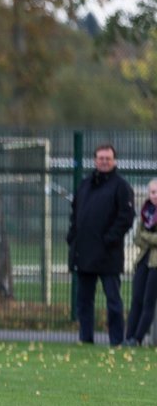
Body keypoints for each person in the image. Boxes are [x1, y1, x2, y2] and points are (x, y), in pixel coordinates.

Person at [67, 143, 135, 346]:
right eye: (101, 158)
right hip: (85, 252)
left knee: (113, 300)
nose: (104, 162)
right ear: (95, 160)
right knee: (84, 301)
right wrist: (73, 237)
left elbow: (126, 217)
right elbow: (75, 213)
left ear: (114, 161)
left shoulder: (121, 186)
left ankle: (116, 340)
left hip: (108, 254)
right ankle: (85, 338)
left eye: (108, 158)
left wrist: (109, 239)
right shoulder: (85, 184)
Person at [124, 179, 157, 346]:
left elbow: (145, 236)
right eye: (152, 192)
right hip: (143, 259)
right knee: (136, 299)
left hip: (155, 264)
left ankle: (137, 338)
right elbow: (138, 237)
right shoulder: (146, 212)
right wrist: (149, 239)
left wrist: (147, 237)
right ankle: (128, 336)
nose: (155, 195)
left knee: (148, 301)